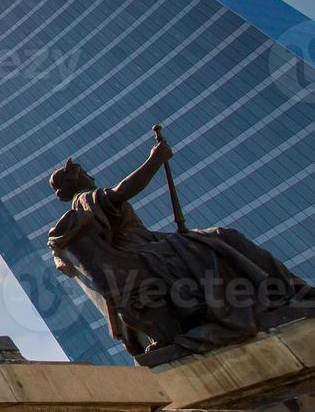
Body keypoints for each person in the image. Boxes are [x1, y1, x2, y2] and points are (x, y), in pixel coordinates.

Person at [48, 137, 312, 357]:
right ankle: (287, 293)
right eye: (83, 172)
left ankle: (282, 293)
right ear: (77, 179)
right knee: (222, 237)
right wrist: (155, 159)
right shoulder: (87, 199)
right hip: (148, 253)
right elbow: (122, 192)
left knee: (216, 239)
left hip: (152, 246)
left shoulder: (83, 205)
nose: (90, 174)